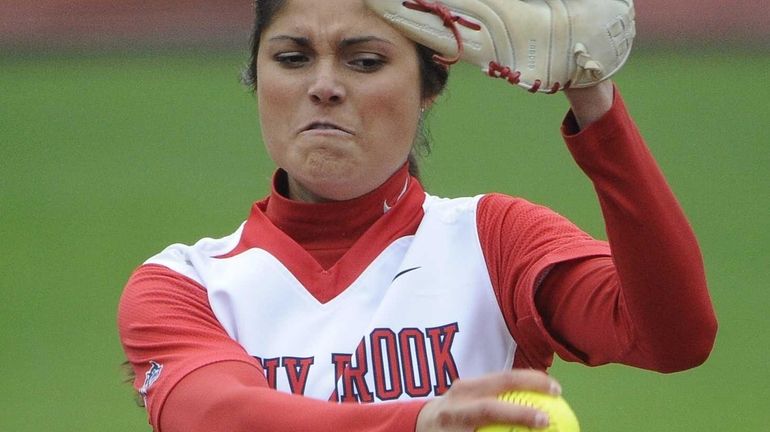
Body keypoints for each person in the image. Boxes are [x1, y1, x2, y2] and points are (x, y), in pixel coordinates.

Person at [118, 0, 718, 431]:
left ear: (429, 87)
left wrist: (596, 102)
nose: (324, 86)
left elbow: (674, 336)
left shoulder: (492, 241)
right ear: (257, 80)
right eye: (293, 57)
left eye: (366, 61)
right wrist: (419, 421)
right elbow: (218, 416)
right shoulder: (184, 285)